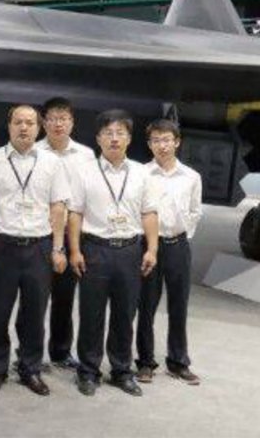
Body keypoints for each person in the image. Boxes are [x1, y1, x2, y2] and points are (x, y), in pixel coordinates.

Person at [0, 105, 69, 396]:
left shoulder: (52, 163)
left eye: (29, 123)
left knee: (35, 313)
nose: (24, 128)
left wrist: (58, 248)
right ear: (9, 126)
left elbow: (58, 207)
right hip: (2, 244)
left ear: (39, 128)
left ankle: (30, 368)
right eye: (18, 122)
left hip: (39, 247)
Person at [68, 109, 160, 397]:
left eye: (120, 133)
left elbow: (149, 213)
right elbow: (75, 213)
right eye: (108, 133)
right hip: (95, 249)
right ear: (98, 138)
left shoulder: (142, 173)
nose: (114, 138)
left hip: (130, 251)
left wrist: (152, 249)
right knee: (91, 314)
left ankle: (121, 371)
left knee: (125, 314)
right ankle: (88, 371)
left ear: (129, 138)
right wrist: (74, 250)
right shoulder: (84, 171)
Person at [135, 119, 203, 385]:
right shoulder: (141, 173)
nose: (161, 145)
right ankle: (145, 362)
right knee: (146, 306)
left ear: (177, 142)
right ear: (149, 144)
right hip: (148, 247)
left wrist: (181, 233)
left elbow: (195, 211)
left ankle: (178, 362)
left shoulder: (191, 177)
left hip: (178, 245)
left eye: (166, 140)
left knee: (179, 305)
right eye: (156, 140)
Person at [35, 97, 95, 370]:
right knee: (34, 297)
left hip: (71, 233)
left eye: (63, 119)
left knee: (64, 296)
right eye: (52, 119)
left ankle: (60, 352)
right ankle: (30, 353)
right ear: (43, 122)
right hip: (39, 231)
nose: (58, 124)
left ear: (72, 122)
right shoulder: (34, 151)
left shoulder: (85, 155)